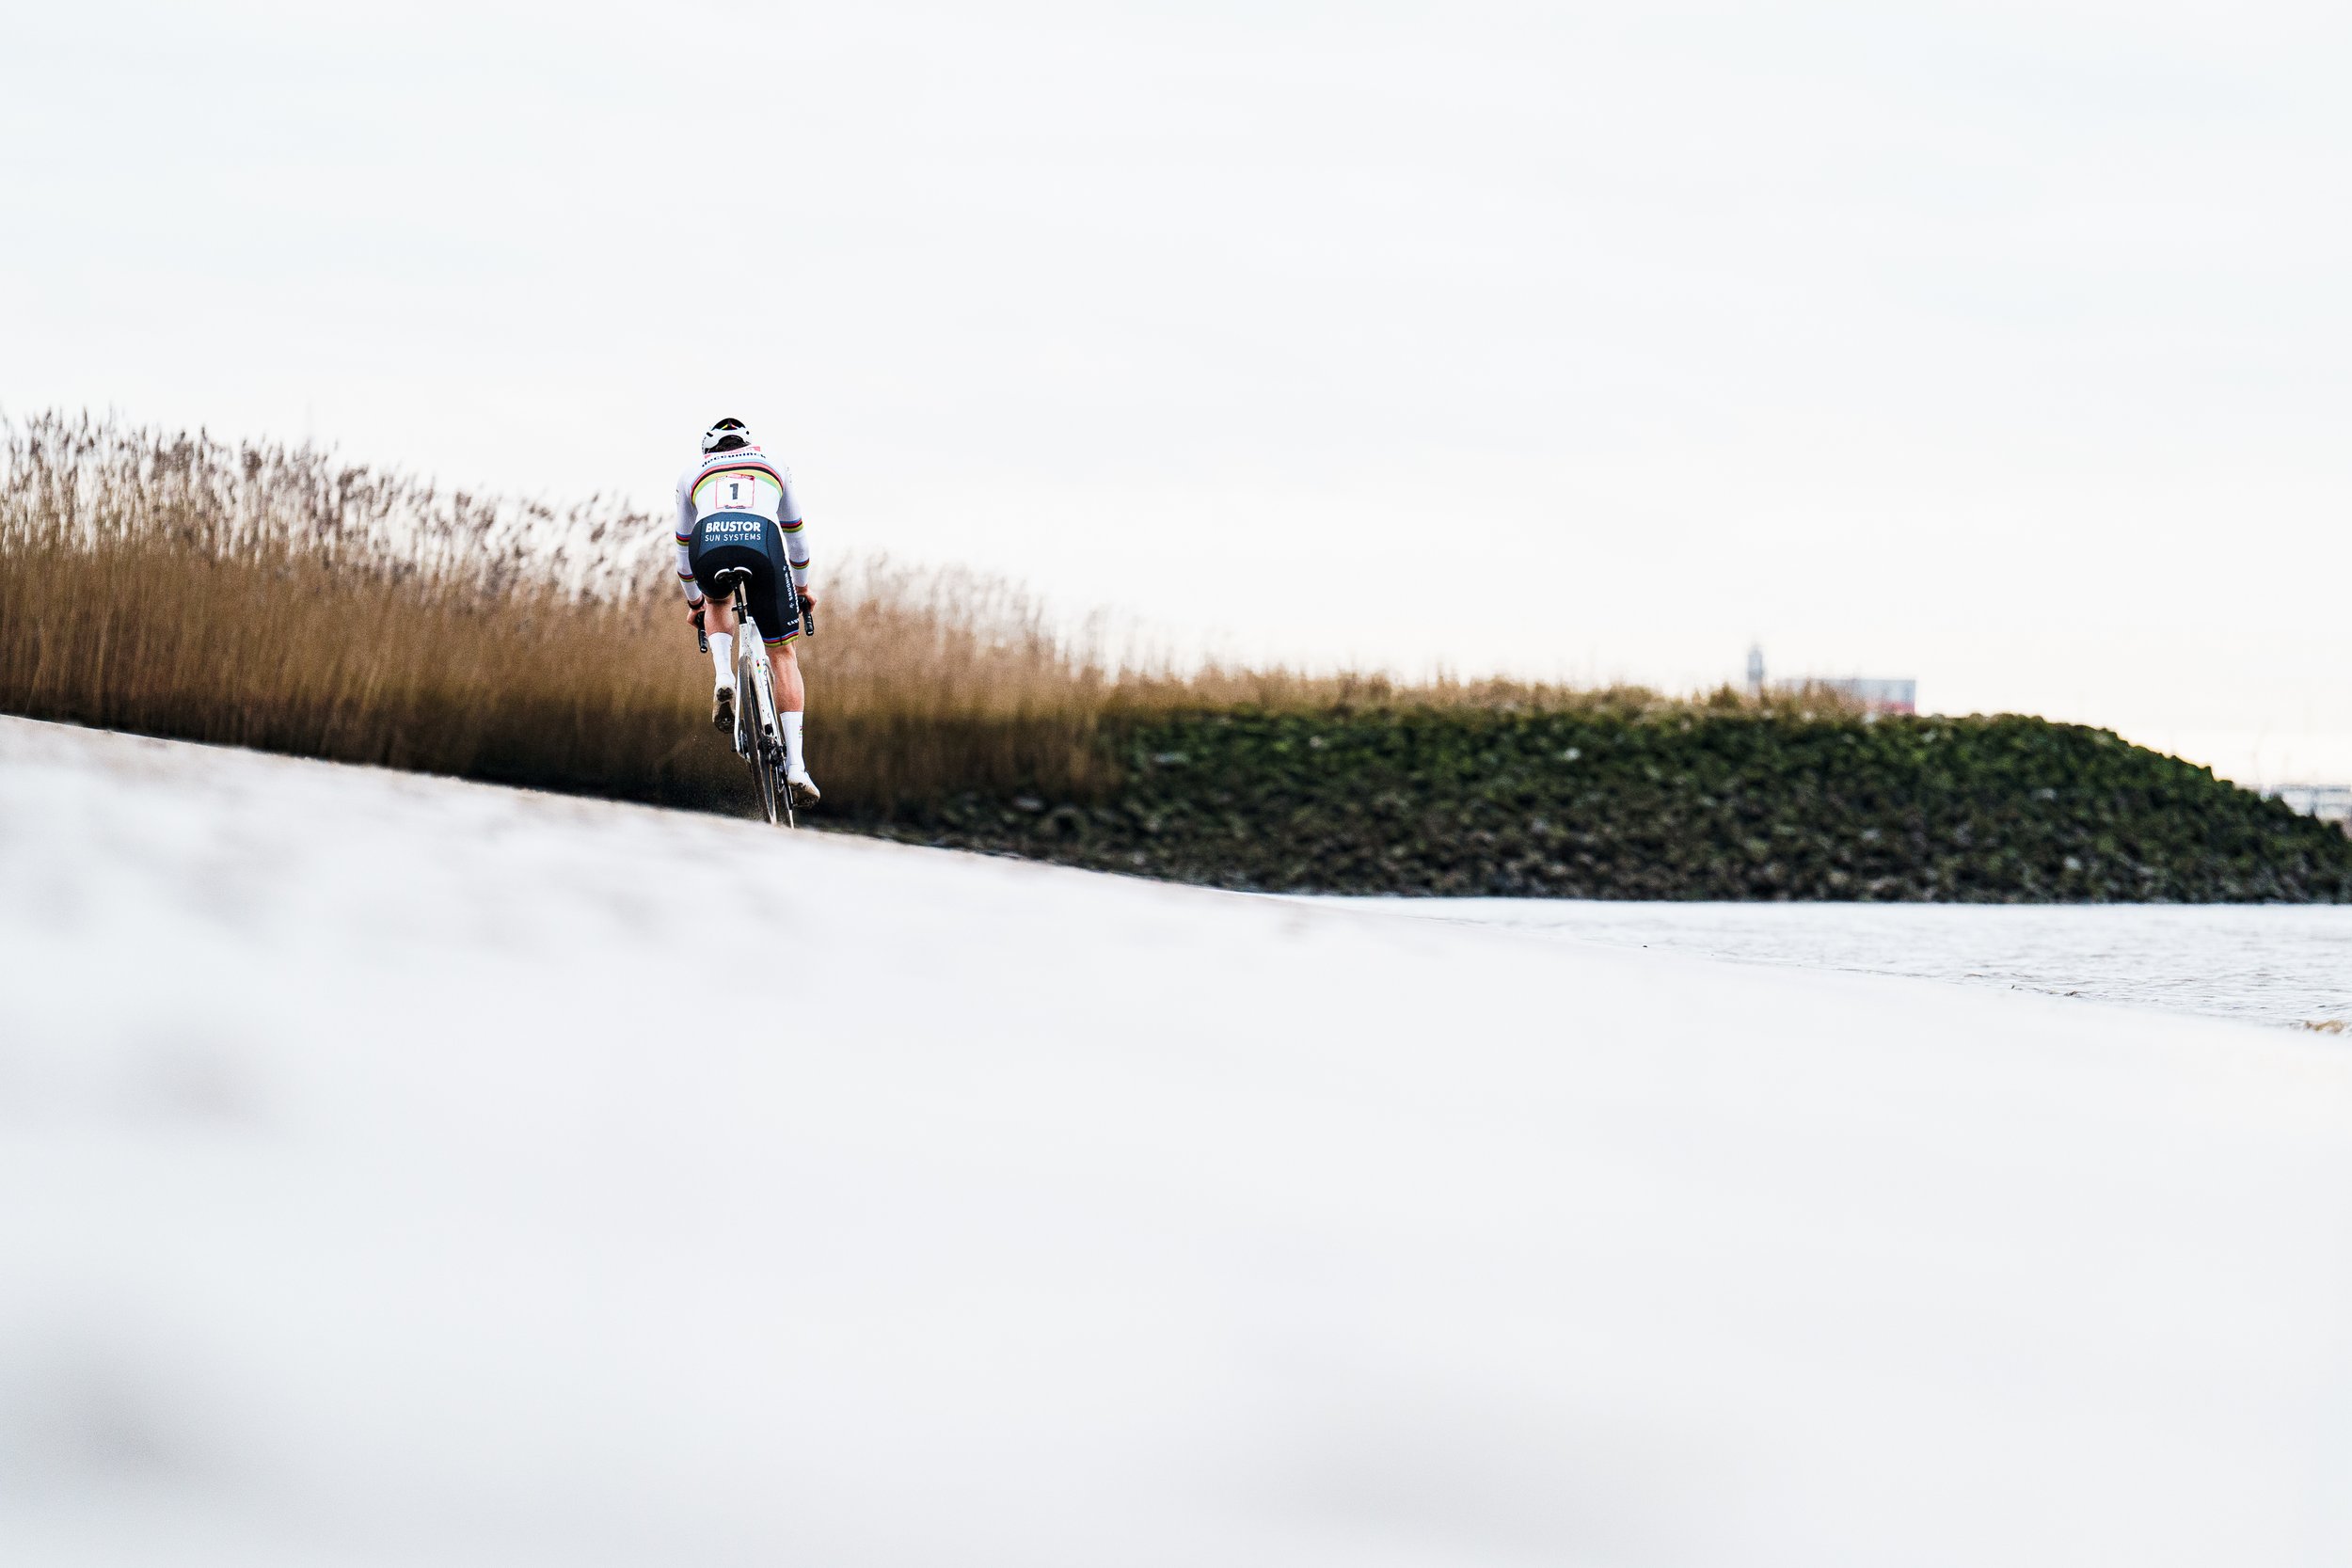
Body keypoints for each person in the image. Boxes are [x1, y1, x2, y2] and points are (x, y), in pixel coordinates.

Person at [675, 416, 819, 805]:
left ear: (708, 452)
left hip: (709, 543)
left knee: (716, 600)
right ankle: (796, 767)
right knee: (783, 654)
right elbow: (797, 538)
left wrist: (695, 603)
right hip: (762, 541)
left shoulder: (691, 473)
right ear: (747, 444)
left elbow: (682, 549)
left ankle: (724, 675)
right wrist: (802, 589)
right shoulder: (774, 460)